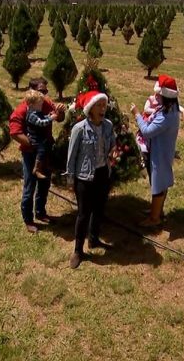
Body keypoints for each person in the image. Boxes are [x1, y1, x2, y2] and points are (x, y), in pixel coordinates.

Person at [66, 90, 115, 269]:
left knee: (99, 209)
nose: (103, 109)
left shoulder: (108, 126)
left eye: (104, 105)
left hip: (102, 173)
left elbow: (112, 145)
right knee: (83, 213)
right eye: (99, 105)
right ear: (90, 109)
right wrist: (71, 179)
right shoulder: (79, 128)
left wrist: (114, 152)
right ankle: (78, 250)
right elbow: (71, 157)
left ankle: (93, 240)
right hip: (84, 177)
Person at [9, 77, 65, 233]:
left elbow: (59, 118)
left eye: (46, 91)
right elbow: (15, 132)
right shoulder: (21, 110)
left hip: (45, 151)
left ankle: (41, 212)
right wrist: (34, 145)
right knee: (30, 186)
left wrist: (61, 111)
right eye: (42, 91)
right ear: (31, 91)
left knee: (45, 183)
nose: (45, 95)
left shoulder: (45, 103)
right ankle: (28, 219)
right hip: (30, 154)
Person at [130, 75, 181, 227]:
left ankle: (154, 219)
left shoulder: (166, 115)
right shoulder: (171, 108)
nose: (156, 96)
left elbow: (147, 131)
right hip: (163, 150)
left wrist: (137, 114)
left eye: (159, 94)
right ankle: (156, 211)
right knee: (160, 182)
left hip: (160, 153)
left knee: (158, 184)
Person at [24, 89, 58, 179]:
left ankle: (46, 165)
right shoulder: (31, 115)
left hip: (40, 138)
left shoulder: (36, 112)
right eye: (39, 105)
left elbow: (43, 117)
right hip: (35, 139)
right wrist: (51, 119)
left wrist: (49, 116)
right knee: (41, 150)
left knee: (47, 148)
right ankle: (36, 169)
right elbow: (41, 123)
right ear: (31, 105)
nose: (41, 106)